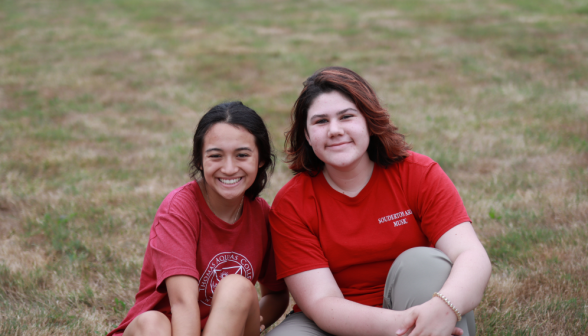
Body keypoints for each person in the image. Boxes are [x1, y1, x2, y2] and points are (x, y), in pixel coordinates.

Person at [268, 67, 491, 336]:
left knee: (424, 262)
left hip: (425, 310)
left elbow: (471, 256)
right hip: (338, 324)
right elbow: (322, 303)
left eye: (347, 116)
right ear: (306, 135)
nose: (335, 130)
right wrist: (405, 325)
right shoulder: (291, 203)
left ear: (368, 121)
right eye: (320, 122)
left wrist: (443, 309)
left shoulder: (418, 173)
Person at [107, 101, 289, 336]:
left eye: (242, 155)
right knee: (152, 324)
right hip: (170, 329)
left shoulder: (262, 213)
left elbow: (276, 294)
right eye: (216, 156)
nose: (230, 168)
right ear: (199, 160)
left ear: (261, 159)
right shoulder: (179, 209)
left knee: (238, 288)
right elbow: (182, 303)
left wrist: (250, 323)